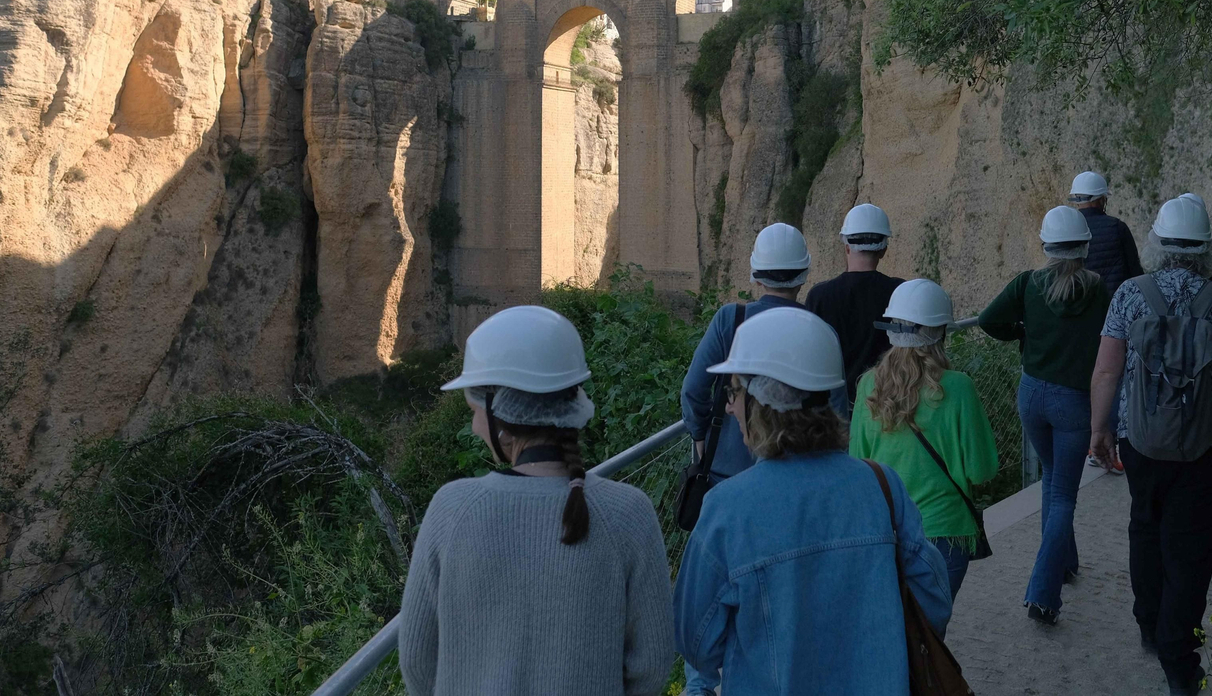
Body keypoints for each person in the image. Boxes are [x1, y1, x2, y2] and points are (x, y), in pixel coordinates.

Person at [675, 306, 952, 695]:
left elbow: (695, 643)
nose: (729, 406)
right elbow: (934, 600)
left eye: (734, 392)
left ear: (761, 402)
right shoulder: (881, 486)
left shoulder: (727, 509)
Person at [400, 306, 674, 696]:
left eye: (475, 410)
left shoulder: (452, 510)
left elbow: (417, 663)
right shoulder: (628, 513)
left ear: (502, 419)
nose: (475, 426)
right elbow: (652, 665)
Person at [1088, 196, 1212, 696]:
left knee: (1145, 529)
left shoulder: (1130, 294)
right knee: (1191, 549)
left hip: (1142, 442)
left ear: (1157, 244)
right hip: (1207, 446)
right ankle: (1179, 659)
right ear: (1205, 249)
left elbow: (1106, 371)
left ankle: (1149, 624)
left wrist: (1100, 430)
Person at [679, 222, 820, 696]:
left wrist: (702, 439)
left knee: (712, 592)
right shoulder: (815, 329)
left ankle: (702, 686)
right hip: (796, 488)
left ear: (756, 273)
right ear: (802, 275)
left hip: (725, 478)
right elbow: (834, 409)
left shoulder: (731, 320)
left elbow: (694, 390)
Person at [978, 205, 1110, 624]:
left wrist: (1021, 331)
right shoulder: (1100, 292)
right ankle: (1043, 593)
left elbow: (988, 321)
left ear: (1046, 246)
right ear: (1085, 246)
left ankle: (1063, 563)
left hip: (1032, 395)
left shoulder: (1027, 284)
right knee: (1064, 494)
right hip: (1075, 402)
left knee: (1052, 478)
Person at [852, 278, 998, 603]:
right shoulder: (958, 388)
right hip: (946, 532)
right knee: (930, 630)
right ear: (941, 332)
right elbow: (982, 470)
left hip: (887, 531)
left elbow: (858, 465)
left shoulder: (868, 386)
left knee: (894, 625)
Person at [1067, 170, 1141, 471]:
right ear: (1102, 200)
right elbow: (1135, 273)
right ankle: (1113, 445)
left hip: (1080, 318)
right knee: (1113, 377)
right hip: (1115, 317)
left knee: (1089, 377)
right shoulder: (1117, 228)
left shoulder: (1069, 228)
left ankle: (1091, 445)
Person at [805, 202, 904, 405]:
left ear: (847, 246)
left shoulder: (820, 296)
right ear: (883, 249)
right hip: (886, 404)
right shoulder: (900, 292)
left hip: (834, 407)